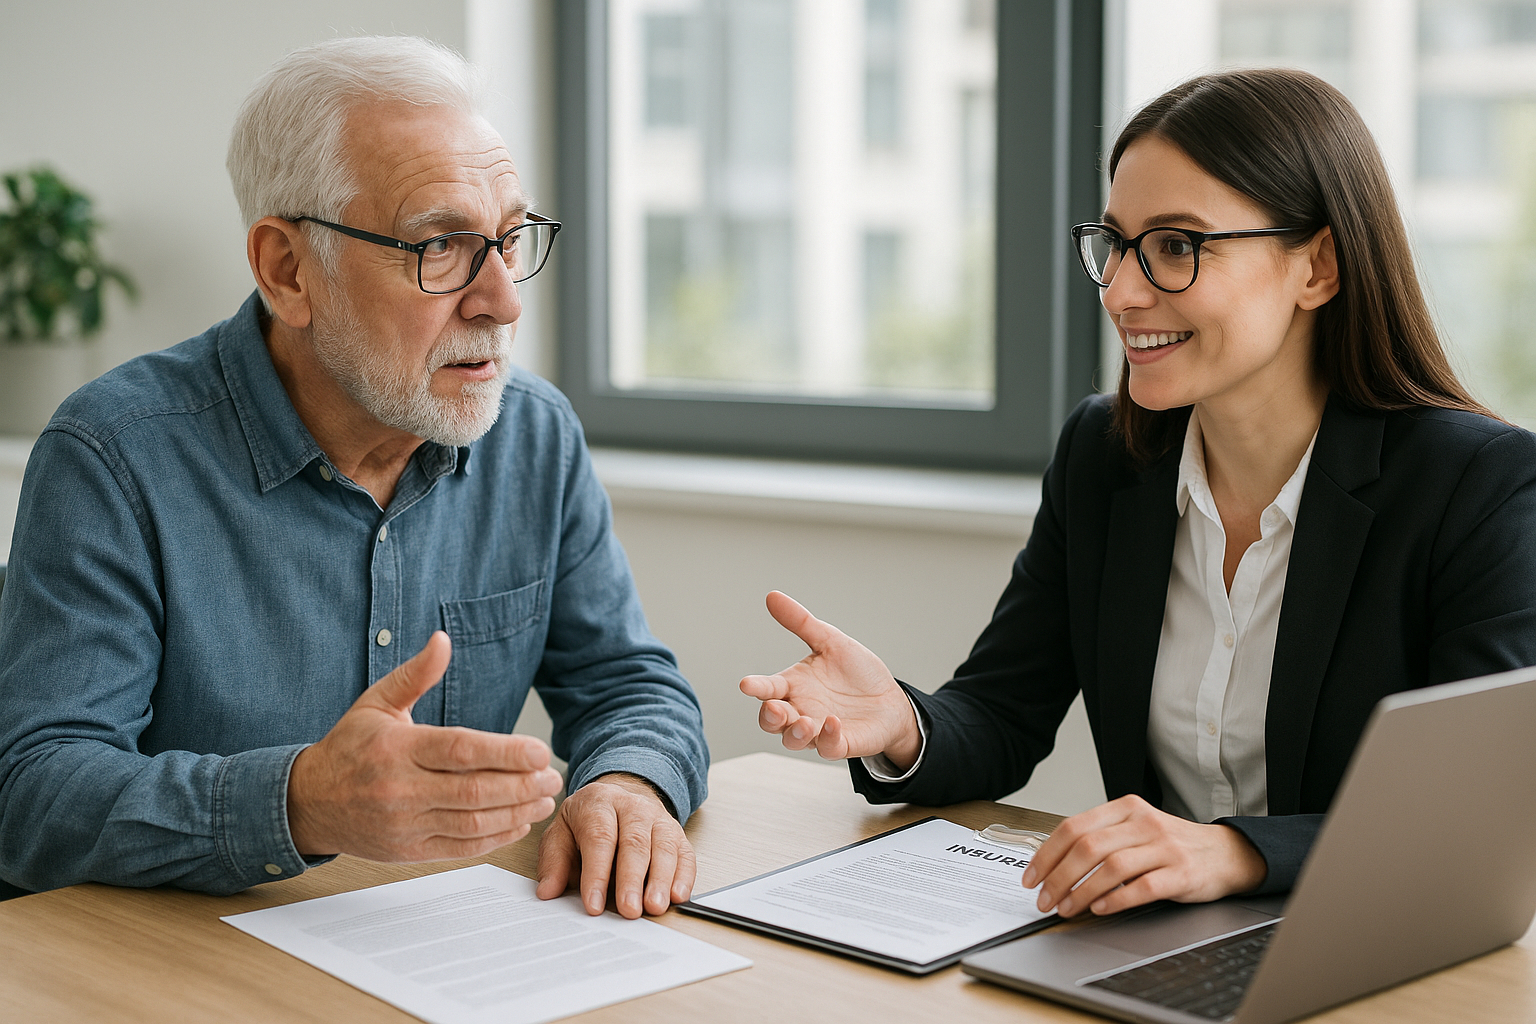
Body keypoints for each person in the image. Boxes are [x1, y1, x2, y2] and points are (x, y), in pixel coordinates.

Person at [741, 68, 1536, 920]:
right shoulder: (1106, 456)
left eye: (1176, 246)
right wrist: (902, 724)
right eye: (1117, 244)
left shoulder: (1477, 486)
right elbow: (1004, 714)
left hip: (1370, 944)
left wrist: (1234, 851)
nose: (1121, 291)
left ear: (1318, 266)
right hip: (1157, 943)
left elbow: (1478, 818)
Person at [0, 37, 707, 919]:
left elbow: (627, 684)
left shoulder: (534, 434)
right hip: (179, 962)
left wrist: (628, 786)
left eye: (509, 238)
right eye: (441, 245)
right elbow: (34, 790)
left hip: (435, 949)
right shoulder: (114, 455)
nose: (503, 299)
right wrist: (300, 802)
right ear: (288, 271)